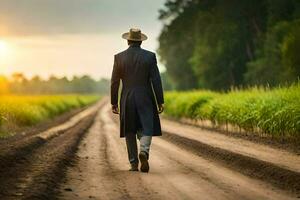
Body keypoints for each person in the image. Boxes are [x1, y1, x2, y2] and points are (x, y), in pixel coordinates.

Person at [110, 28, 164, 173]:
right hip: (145, 96)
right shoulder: (150, 57)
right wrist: (160, 100)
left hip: (127, 97)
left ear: (128, 41)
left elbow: (114, 82)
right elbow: (156, 80)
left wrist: (114, 102)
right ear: (140, 41)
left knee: (129, 130)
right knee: (147, 125)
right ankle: (144, 151)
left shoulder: (119, 57)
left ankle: (133, 164)